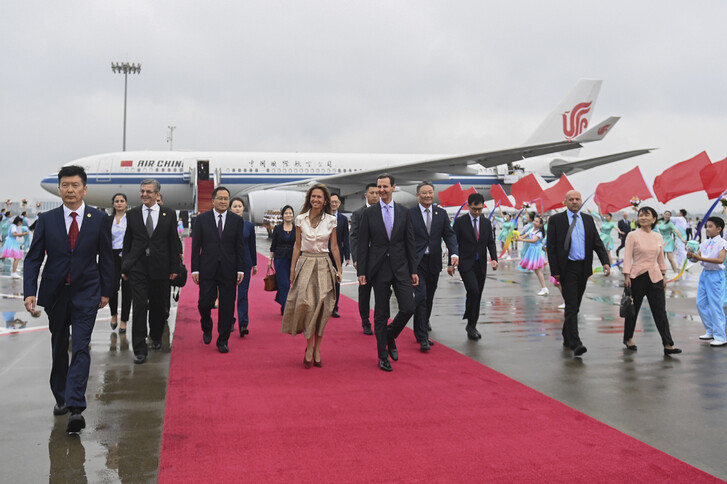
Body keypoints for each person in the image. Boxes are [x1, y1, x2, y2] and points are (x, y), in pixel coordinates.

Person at [23, 165, 113, 433]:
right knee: (59, 345)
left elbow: (107, 258)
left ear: (84, 189)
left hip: (87, 292)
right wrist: (30, 291)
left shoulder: (98, 219)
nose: (70, 190)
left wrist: (107, 291)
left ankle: (76, 406)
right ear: (60, 188)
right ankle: (61, 395)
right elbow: (33, 258)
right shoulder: (47, 219)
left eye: (75, 185)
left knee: (82, 346)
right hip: (56, 293)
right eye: (65, 185)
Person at [357, 174, 418, 372]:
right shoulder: (370, 213)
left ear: (393, 187)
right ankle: (382, 355)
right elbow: (362, 244)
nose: (381, 190)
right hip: (378, 268)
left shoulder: (403, 212)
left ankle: (390, 335)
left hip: (401, 267)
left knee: (408, 307)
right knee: (381, 314)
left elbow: (410, 242)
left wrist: (413, 269)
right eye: (378, 186)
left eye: (385, 186)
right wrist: (362, 271)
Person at [281, 184, 342, 368]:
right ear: (309, 199)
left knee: (323, 307)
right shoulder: (300, 219)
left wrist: (339, 269)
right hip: (305, 263)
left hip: (324, 264)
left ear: (325, 201)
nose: (316, 200)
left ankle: (318, 349)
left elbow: (334, 247)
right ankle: (309, 347)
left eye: (319, 197)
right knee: (307, 305)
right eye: (313, 196)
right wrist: (292, 270)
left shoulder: (331, 220)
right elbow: (297, 246)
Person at [121, 179, 180, 364]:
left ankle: (155, 337)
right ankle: (139, 349)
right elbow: (127, 242)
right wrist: (125, 266)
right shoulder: (132, 214)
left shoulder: (168, 214)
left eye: (148, 191)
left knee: (158, 306)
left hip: (160, 267)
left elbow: (173, 242)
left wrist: (174, 268)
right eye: (142, 191)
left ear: (157, 194)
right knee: (139, 307)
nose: (144, 194)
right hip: (138, 267)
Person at [546, 190, 610, 357]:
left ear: (581, 201)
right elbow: (551, 248)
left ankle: (567, 335)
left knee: (575, 305)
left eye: (577, 199)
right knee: (572, 304)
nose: (575, 202)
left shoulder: (588, 220)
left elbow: (597, 242)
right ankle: (576, 342)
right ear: (565, 202)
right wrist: (555, 272)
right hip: (567, 269)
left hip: (583, 268)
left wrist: (605, 262)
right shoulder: (555, 220)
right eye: (571, 199)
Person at [191, 187, 246, 353]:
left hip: (229, 269)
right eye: (220, 198)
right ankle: (206, 325)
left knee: (227, 306)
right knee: (204, 303)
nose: (223, 202)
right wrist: (195, 269)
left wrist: (240, 269)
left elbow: (239, 247)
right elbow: (196, 247)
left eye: (226, 198)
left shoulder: (236, 220)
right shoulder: (202, 219)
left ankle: (222, 340)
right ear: (212, 200)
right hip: (207, 267)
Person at [622, 206, 681, 355]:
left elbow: (661, 257)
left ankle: (668, 344)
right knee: (633, 310)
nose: (643, 218)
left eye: (646, 215)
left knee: (660, 310)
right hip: (637, 276)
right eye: (640, 215)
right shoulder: (632, 235)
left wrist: (663, 274)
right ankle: (628, 338)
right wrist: (626, 275)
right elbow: (627, 256)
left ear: (654, 219)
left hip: (655, 276)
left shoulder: (658, 236)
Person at [409, 181, 458, 351]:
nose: (428, 195)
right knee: (420, 296)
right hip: (417, 262)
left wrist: (453, 253)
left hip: (434, 261)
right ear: (418, 195)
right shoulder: (410, 214)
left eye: (430, 192)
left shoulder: (441, 213)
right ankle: (423, 336)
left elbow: (449, 235)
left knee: (429, 297)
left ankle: (419, 328)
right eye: (424, 193)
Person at [452, 192, 498, 340]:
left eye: (479, 209)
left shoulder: (486, 222)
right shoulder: (460, 222)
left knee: (477, 294)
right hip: (465, 263)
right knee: (473, 290)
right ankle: (469, 317)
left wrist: (494, 258)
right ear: (468, 206)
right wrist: (450, 263)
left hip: (481, 264)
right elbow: (453, 243)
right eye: (474, 209)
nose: (477, 212)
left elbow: (490, 242)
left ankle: (472, 325)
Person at [687, 217, 727, 346]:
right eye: (707, 226)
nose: (707, 229)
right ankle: (710, 330)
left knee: (716, 305)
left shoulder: (723, 243)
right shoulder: (705, 243)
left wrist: (699, 257)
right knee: (701, 303)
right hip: (705, 274)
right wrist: (691, 256)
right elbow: (696, 259)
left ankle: (721, 336)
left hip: (716, 275)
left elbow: (720, 260)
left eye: (710, 226)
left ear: (719, 229)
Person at [349, 182, 379, 335]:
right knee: (365, 292)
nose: (375, 195)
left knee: (382, 292)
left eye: (377, 193)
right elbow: (353, 237)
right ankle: (365, 321)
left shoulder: (384, 211)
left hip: (381, 259)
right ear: (366, 194)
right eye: (372, 193)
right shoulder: (358, 214)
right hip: (365, 260)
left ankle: (380, 321)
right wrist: (356, 258)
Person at [228, 197, 257, 336]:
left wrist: (255, 264)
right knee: (229, 295)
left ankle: (243, 323)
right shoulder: (226, 224)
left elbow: (252, 246)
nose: (237, 208)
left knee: (243, 295)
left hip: (245, 263)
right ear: (230, 208)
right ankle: (230, 320)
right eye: (235, 206)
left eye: (240, 206)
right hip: (229, 264)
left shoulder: (249, 226)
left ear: (243, 208)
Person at [107, 193, 131, 334]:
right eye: (117, 201)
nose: (119, 203)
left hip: (127, 256)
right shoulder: (108, 220)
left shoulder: (131, 219)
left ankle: (124, 320)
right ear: (113, 204)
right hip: (112, 256)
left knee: (127, 290)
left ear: (126, 203)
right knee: (112, 288)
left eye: (122, 201)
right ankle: (114, 314)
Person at [268, 205, 296, 315]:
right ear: (282, 216)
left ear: (293, 215)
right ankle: (286, 307)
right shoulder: (278, 229)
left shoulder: (297, 229)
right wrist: (270, 259)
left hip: (293, 258)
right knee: (283, 283)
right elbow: (273, 245)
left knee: (289, 283)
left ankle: (281, 299)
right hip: (279, 259)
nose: (288, 215)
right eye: (286, 213)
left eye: (290, 213)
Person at [328, 193, 351, 318]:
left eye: (336, 202)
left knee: (336, 281)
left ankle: (334, 308)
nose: (334, 204)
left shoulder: (342, 219)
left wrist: (347, 255)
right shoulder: (323, 217)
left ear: (339, 203)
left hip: (338, 255)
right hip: (324, 254)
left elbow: (346, 238)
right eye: (332, 202)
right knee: (324, 281)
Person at [516, 215, 548, 295]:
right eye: (534, 221)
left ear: (541, 225)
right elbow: (523, 236)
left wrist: (522, 239)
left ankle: (544, 288)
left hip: (537, 251)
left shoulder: (539, 233)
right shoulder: (531, 230)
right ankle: (544, 288)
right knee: (524, 266)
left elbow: (534, 241)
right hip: (531, 250)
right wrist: (517, 237)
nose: (534, 222)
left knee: (537, 270)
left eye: (537, 222)